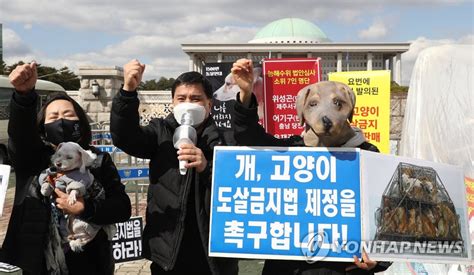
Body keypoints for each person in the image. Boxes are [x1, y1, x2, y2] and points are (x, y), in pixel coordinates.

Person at [231, 58, 391, 275]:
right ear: (302, 112)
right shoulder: (291, 151)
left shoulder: (367, 155)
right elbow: (248, 136)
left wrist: (378, 259)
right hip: (289, 268)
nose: (325, 115)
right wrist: (246, 94)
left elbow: (389, 217)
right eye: (313, 104)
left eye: (338, 104)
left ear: (350, 109)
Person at [1, 62, 132, 275]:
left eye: (68, 115)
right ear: (42, 127)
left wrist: (85, 208)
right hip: (34, 261)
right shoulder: (33, 157)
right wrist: (23, 97)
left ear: (81, 121)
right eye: (53, 117)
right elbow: (20, 135)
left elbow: (122, 207)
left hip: (89, 260)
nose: (61, 121)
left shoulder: (98, 160)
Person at [110, 59, 238, 275]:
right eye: (182, 98)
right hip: (168, 251)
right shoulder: (160, 132)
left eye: (196, 99)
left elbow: (237, 185)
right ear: (172, 103)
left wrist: (207, 167)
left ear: (209, 104)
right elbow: (125, 137)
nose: (188, 103)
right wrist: (128, 92)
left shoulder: (225, 139)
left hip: (213, 254)